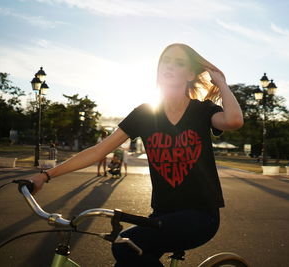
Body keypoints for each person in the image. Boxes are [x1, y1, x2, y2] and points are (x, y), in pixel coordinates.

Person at [27, 43, 243, 266]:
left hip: (200, 216)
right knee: (128, 255)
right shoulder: (145, 113)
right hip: (161, 214)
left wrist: (221, 83)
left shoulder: (203, 110)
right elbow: (98, 150)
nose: (169, 66)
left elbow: (234, 120)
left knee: (124, 245)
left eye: (179, 63)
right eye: (165, 61)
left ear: (190, 74)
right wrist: (46, 175)